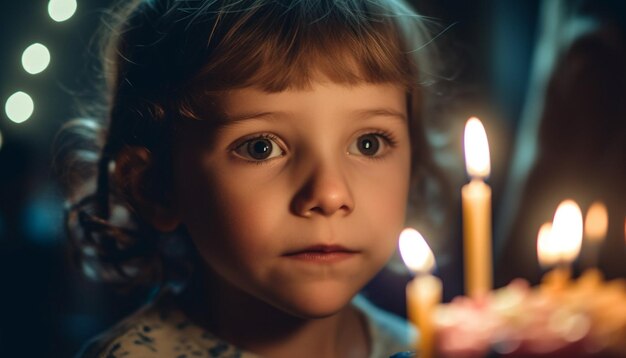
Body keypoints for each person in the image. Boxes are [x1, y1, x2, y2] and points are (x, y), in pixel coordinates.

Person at [55, 0, 450, 357]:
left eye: (368, 143)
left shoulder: (423, 346)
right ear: (155, 186)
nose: (330, 194)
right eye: (260, 147)